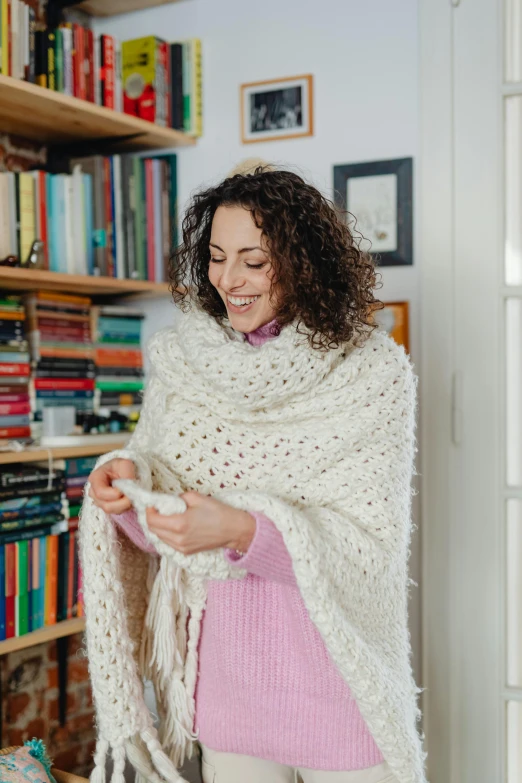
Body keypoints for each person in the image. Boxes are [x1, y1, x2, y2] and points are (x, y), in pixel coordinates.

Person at [84, 162, 426, 783]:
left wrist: (244, 531)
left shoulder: (373, 374)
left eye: (254, 260)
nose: (229, 281)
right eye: (216, 257)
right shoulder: (184, 364)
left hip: (341, 697)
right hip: (228, 697)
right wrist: (125, 491)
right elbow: (166, 529)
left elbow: (370, 554)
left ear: (302, 261)